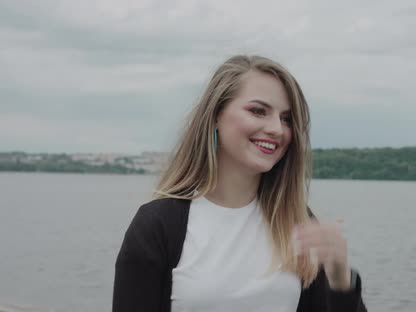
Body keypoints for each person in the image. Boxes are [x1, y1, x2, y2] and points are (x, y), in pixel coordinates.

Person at [112, 55, 367, 312]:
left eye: (287, 118)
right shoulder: (158, 225)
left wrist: (340, 280)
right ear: (215, 116)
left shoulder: (298, 224)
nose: (277, 129)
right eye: (258, 111)